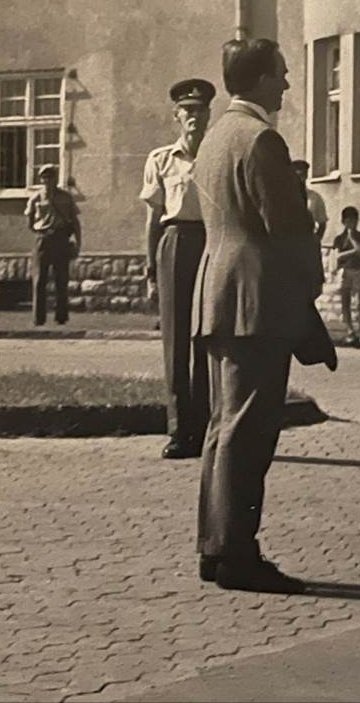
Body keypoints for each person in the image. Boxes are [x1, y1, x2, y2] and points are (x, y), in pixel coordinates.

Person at [193, 38, 325, 595]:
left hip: (218, 295)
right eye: (283, 75)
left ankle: (214, 547)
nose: (288, 85)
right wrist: (311, 285)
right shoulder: (262, 139)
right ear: (262, 80)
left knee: (222, 428)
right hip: (257, 302)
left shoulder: (214, 136)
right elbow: (288, 229)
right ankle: (237, 556)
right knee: (249, 432)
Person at [140, 78, 216, 460]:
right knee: (175, 342)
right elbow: (154, 219)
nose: (194, 117)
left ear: (209, 114)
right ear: (176, 116)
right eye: (187, 110)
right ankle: (177, 430)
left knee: (205, 339)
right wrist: (151, 269)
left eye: (200, 110)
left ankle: (202, 430)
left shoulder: (218, 156)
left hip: (210, 244)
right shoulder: (161, 160)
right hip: (174, 243)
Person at [24, 164, 80, 326]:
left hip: (61, 238)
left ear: (56, 178)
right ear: (41, 179)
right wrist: (40, 231)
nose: (48, 180)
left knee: (61, 279)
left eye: (51, 177)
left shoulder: (66, 197)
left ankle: (61, 317)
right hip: (43, 239)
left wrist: (78, 243)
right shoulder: (36, 198)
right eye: (44, 177)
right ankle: (38, 318)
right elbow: (30, 222)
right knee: (39, 279)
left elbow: (75, 222)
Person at [332, 206, 360, 349]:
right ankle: (350, 330)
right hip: (345, 270)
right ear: (343, 222)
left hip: (358, 270)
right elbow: (337, 256)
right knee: (345, 300)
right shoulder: (338, 239)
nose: (351, 224)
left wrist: (352, 239)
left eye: (354, 221)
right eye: (348, 221)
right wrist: (353, 251)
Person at [293, 161, 328, 243]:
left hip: (307, 241)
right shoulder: (285, 198)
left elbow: (322, 223)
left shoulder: (315, 198)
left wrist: (316, 241)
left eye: (303, 175)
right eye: (297, 176)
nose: (301, 180)